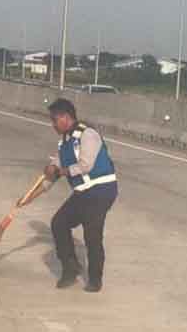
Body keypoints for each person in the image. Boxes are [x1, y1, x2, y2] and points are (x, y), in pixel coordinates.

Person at [17, 98, 118, 292]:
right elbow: (50, 178)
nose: (53, 125)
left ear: (65, 117)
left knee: (92, 234)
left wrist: (60, 171)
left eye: (54, 120)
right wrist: (28, 198)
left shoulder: (88, 135)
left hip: (101, 190)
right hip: (83, 193)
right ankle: (70, 269)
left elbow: (85, 165)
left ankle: (95, 279)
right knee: (59, 223)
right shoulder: (63, 143)